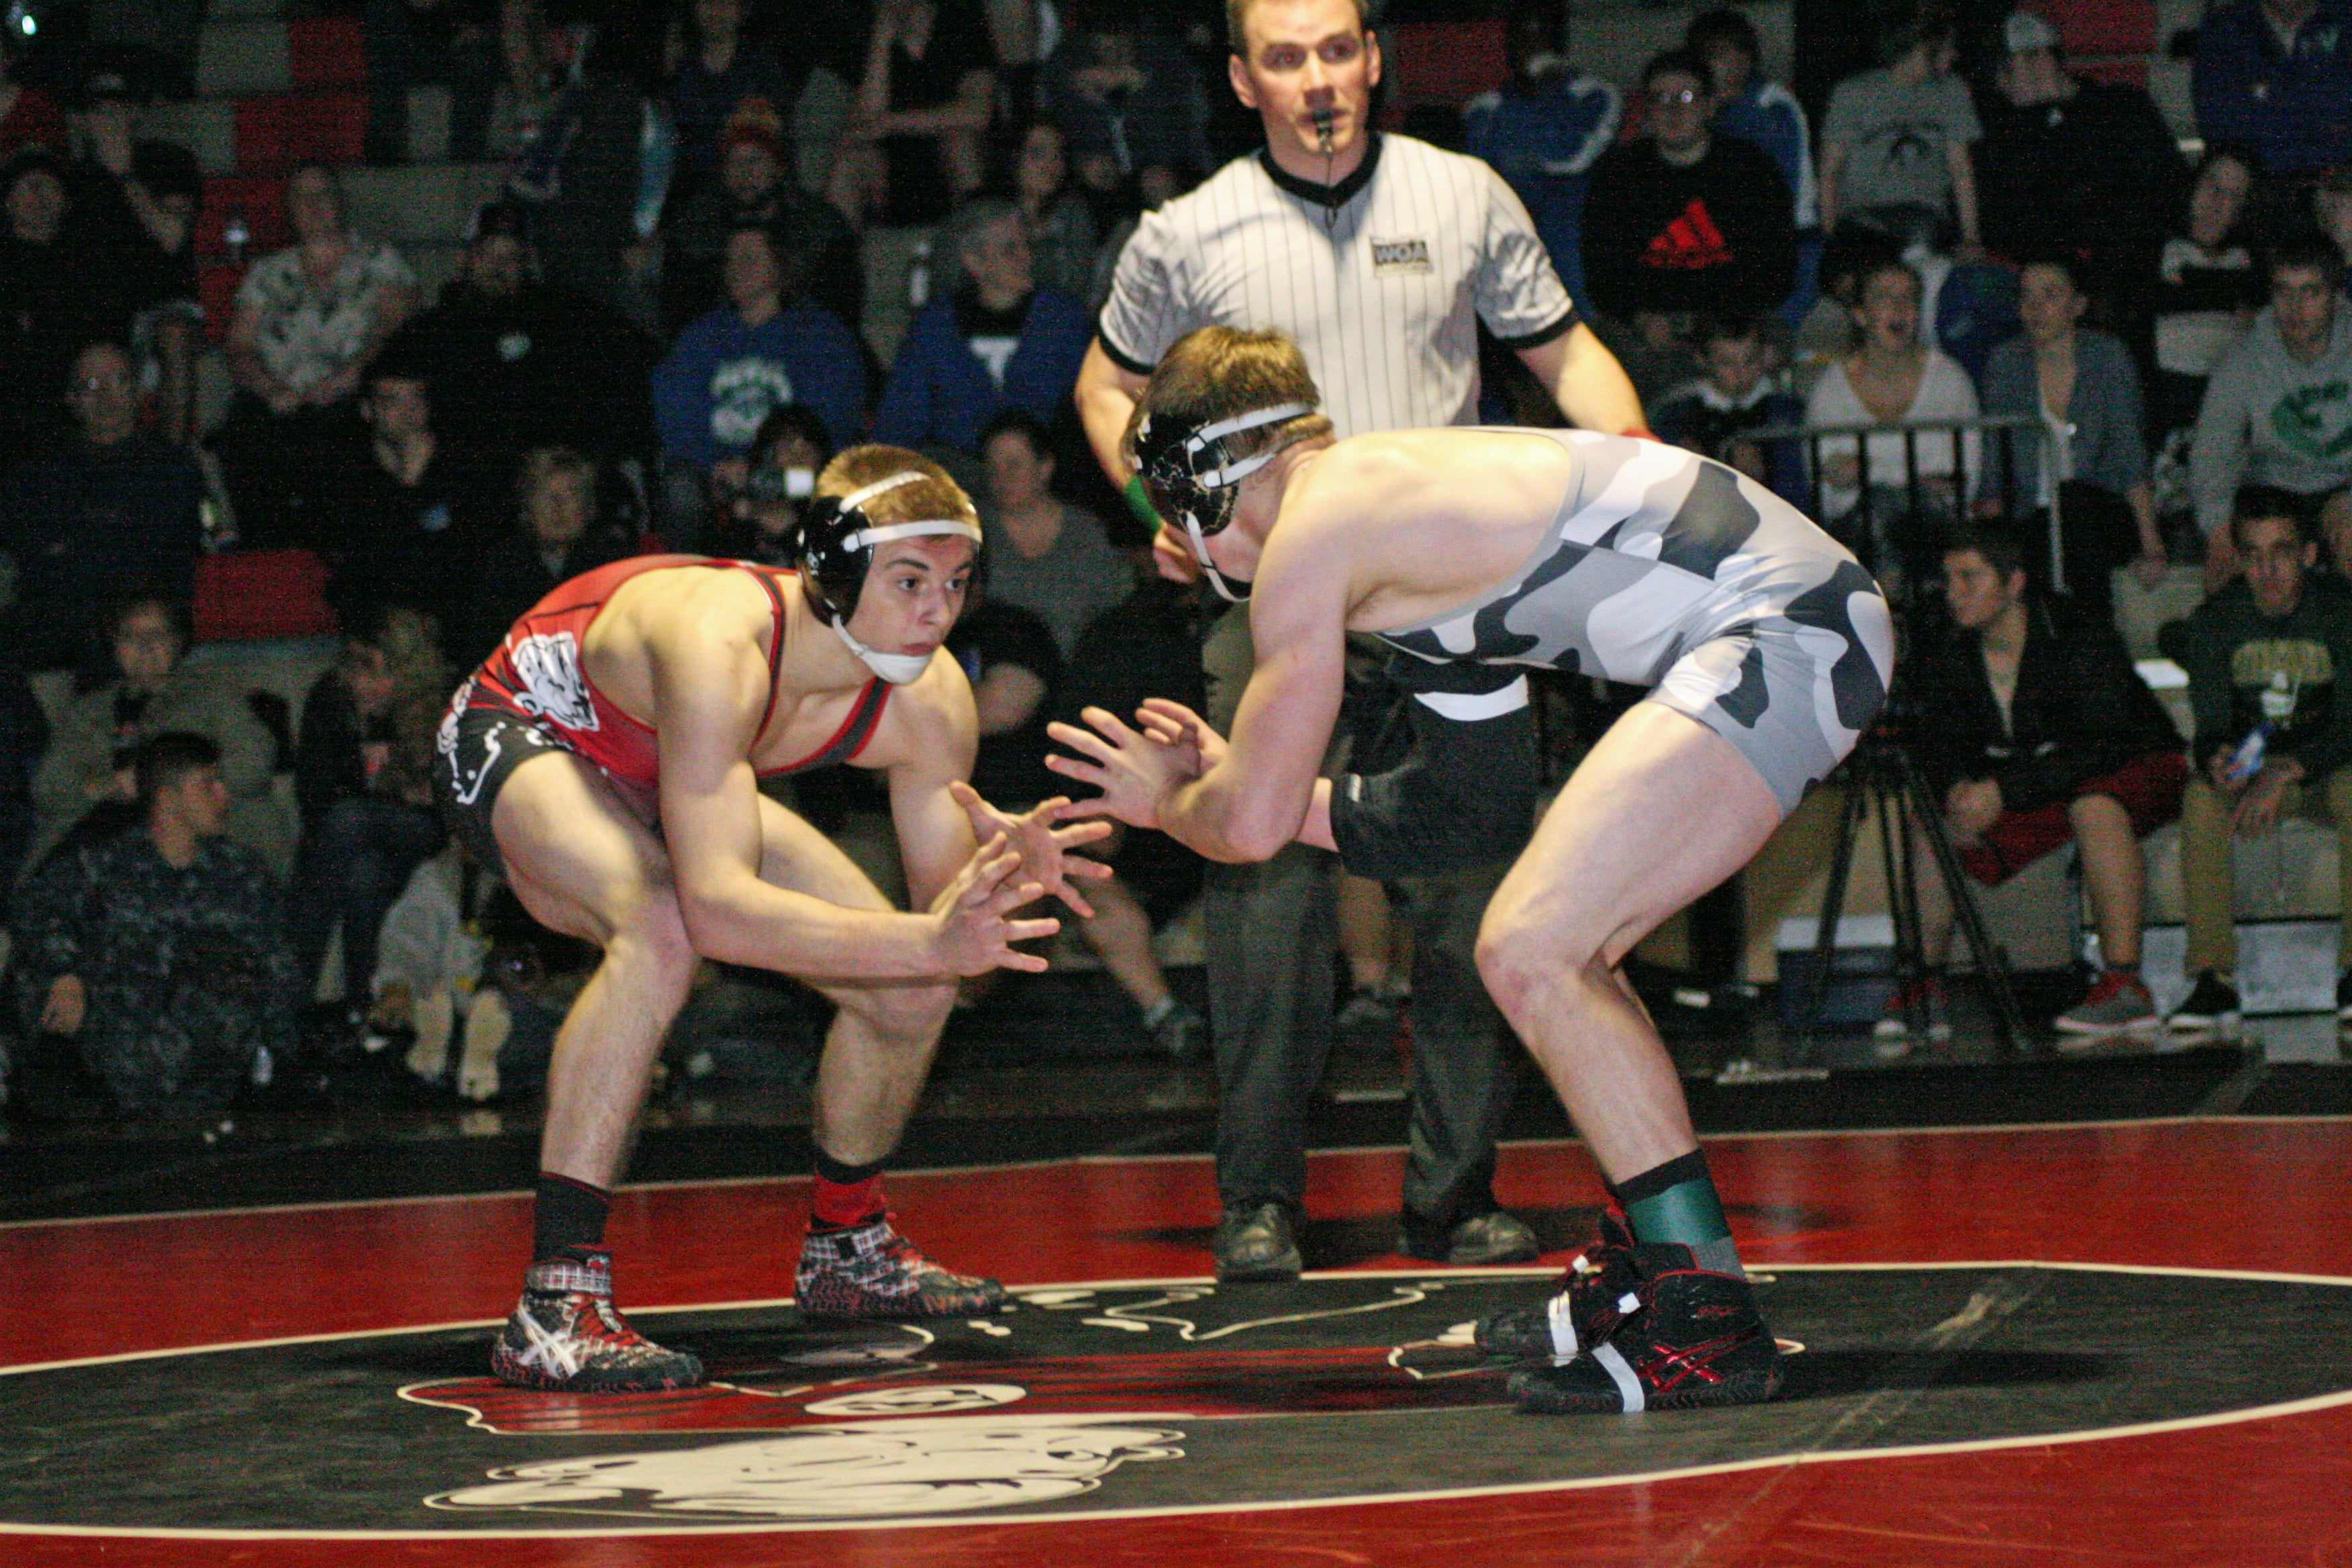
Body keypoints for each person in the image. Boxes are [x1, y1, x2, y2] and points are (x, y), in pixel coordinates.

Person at [1050, 325, 1890, 1414]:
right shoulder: (1409, 541)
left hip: (1779, 630)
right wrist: (1223, 793)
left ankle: (1702, 1317)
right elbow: (1454, 816)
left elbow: (1249, 825)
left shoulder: (1318, 526)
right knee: (1556, 943)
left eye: (1169, 512)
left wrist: (1174, 800)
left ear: (1200, 481)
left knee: (1532, 948)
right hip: (1793, 623)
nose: (1173, 548)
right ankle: (1666, 1277)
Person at [1073, 0, 1647, 1279]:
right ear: (1240, 78)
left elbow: (1565, 355)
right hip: (1269, 599)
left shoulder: (1462, 195)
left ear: (1375, 59)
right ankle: (1256, 1199)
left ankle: (1452, 1194)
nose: (1318, 78)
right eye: (1285, 57)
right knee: (1261, 884)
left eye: (1338, 49)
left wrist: (1635, 469)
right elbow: (1102, 386)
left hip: (1448, 603)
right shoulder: (1186, 232)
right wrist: (1152, 504)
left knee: (1468, 891)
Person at [435, 443, 1106, 1391]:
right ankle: (555, 1303)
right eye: (909, 581)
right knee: (662, 930)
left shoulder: (932, 699)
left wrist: (1001, 893)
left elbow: (960, 962)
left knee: (911, 989)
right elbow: (717, 913)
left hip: (663, 765)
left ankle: (847, 1249)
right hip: (531, 731)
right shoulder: (720, 642)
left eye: (957, 584)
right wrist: (933, 936)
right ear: (831, 571)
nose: (937, 611)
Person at [1892, 526, 2186, 1043]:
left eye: (1970, 578)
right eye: (1948, 579)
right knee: (1931, 825)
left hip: (2136, 761)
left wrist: (2004, 791)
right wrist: (1959, 787)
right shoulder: (1949, 645)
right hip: (2048, 780)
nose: (1954, 592)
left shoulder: (2074, 630)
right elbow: (1935, 739)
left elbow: (2102, 743)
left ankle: (2125, 985)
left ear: (2014, 584)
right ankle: (1924, 982)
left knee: (2095, 804)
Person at [15, 732, 297, 1118]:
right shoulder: (105, 864)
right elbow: (34, 910)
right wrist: (64, 974)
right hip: (113, 1047)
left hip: (208, 1062)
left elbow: (275, 966)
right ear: (167, 799)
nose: (223, 796)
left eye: (222, 783)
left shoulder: (241, 871)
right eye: (208, 785)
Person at [2160, 488, 2352, 1034]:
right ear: (2239, 559)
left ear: (2309, 555)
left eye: (2283, 552)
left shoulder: (2340, 610)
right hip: (2256, 765)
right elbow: (2212, 723)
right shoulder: (2216, 621)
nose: (2269, 570)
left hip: (2327, 767)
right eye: (2254, 554)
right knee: (2201, 795)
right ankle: (2212, 978)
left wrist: (2288, 769)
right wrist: (2218, 758)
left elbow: (2350, 724)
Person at [212, 164, 421, 548]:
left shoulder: (377, 259)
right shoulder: (267, 271)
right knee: (241, 433)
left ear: (340, 203)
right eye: (302, 197)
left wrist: (349, 377)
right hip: (282, 400)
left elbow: (398, 328)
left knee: (343, 439)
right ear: (290, 209)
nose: (314, 204)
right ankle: (272, 560)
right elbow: (239, 346)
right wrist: (271, 389)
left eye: (323, 193)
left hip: (353, 394)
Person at [26, 591, 285, 875]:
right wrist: (105, 786)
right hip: (104, 835)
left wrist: (177, 783)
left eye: (158, 635)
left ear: (177, 642)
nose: (145, 646)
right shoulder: (87, 712)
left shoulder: (214, 696)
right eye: (131, 636)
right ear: (115, 646)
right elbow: (47, 789)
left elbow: (254, 767)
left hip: (199, 832)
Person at [397, 201, 658, 467]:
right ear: (466, 258)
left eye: (512, 257)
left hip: (552, 466)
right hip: (470, 467)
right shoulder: (434, 328)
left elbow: (636, 353)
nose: (498, 266)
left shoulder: (562, 314)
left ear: (527, 261)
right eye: (488, 254)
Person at [0, 339, 204, 673]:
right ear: (72, 399)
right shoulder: (37, 473)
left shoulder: (171, 466)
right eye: (92, 385)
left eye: (118, 382)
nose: (105, 396)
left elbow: (170, 552)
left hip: (141, 616)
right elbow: (35, 552)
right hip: (59, 619)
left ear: (138, 392)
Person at [1979, 254, 2166, 604]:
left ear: (2078, 304)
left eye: (2050, 295)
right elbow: (1994, 462)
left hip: (2099, 513)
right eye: (2026, 296)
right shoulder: (2005, 364)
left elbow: (2129, 455)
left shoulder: (2108, 358)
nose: (2035, 307)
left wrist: (2151, 545)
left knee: (2075, 508)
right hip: (2031, 517)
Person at [291, 604, 449, 1018]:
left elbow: (442, 803)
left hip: (422, 840)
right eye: (365, 671)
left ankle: (288, 996)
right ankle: (362, 1011)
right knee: (364, 873)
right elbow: (313, 797)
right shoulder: (329, 701)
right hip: (352, 843)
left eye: (389, 672)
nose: (377, 685)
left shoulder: (434, 708)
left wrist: (388, 787)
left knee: (350, 819)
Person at [1973, 11, 2186, 304]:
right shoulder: (2008, 135)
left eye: (2012, 72)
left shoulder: (2123, 109)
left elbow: (2168, 185)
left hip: (2133, 258)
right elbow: (2005, 221)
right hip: (2054, 273)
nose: (2005, 89)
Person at [1577, 49, 1796, 326]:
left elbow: (1775, 267)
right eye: (1662, 99)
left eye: (1687, 97)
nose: (1673, 110)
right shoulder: (1619, 174)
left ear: (1710, 106)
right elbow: (1602, 272)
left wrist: (1724, 318)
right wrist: (1641, 317)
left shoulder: (1749, 169)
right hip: (1649, 322)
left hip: (1734, 318)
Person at [651, 223, 865, 495]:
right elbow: (676, 413)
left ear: (780, 266)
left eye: (750, 259)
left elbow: (830, 419)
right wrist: (715, 463)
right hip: (716, 474)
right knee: (680, 490)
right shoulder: (701, 337)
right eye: (731, 260)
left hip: (794, 473)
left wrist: (765, 467)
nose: (737, 268)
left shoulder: (820, 336)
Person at [871, 199, 1091, 458]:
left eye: (1027, 246)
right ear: (974, 262)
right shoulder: (936, 328)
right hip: (958, 469)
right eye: (1010, 250)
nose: (1026, 257)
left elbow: (1089, 408)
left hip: (1041, 471)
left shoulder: (1063, 320)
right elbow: (901, 418)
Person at [1802, 254, 1978, 577]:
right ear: (1860, 313)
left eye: (1909, 298)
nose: (1898, 308)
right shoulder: (1830, 389)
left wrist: (1868, 472)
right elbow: (1826, 488)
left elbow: (1964, 478)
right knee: (1879, 510)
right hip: (1855, 530)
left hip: (1934, 526)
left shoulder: (1950, 380)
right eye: (1884, 297)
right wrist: (1911, 479)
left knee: (1896, 511)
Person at [2192, 236, 2352, 587]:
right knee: (2233, 569)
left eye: (2310, 293)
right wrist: (2218, 532)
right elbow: (2213, 451)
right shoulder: (2243, 360)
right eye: (2284, 292)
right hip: (2270, 488)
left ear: (2336, 298)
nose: (2295, 308)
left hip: (2343, 485)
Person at [1462, 0, 1622, 305]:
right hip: (1510, 248)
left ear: (1559, 43)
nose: (1533, 48)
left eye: (1543, 37)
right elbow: (1487, 181)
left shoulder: (1596, 95)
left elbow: (1568, 156)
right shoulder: (1484, 107)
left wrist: (1550, 90)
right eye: (1524, 37)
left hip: (1575, 244)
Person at [450, 446, 640, 669]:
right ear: (527, 506)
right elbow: (484, 648)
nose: (558, 506)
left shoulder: (614, 564)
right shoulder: (502, 567)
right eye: (546, 495)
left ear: (590, 507)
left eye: (571, 494)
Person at [1818, 3, 1982, 256]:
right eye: (1948, 48)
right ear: (1922, 49)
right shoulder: (1853, 93)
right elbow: (1830, 171)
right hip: (1863, 215)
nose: (1954, 55)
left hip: (1925, 213)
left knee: (1922, 245)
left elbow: (1961, 169)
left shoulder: (1952, 91)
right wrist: (1830, 240)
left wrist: (1971, 238)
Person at [826, 0, 997, 229]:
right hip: (890, 166)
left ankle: (979, 243)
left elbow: (977, 112)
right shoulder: (863, 33)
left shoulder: (961, 22)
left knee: (960, 142)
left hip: (946, 156)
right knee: (848, 164)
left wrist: (892, 123)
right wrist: (882, 41)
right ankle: (837, 259)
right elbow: (865, 126)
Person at [975, 409, 1132, 655]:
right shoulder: (976, 534)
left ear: (1046, 467)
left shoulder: (1084, 533)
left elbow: (1116, 609)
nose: (1002, 477)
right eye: (993, 467)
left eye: (1014, 465)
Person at [2149, 150, 2262, 445]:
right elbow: (2151, 299)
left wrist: (2190, 285)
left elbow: (2261, 310)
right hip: (2165, 391)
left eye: (2233, 194)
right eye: (2212, 186)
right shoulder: (2159, 245)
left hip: (2231, 396)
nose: (2217, 200)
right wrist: (2226, 295)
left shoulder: (2249, 258)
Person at [1649, 314, 1807, 504]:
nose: (1741, 373)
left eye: (1750, 361)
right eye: (1727, 363)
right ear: (1702, 360)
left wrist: (1767, 473)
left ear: (1765, 355)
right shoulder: (1678, 413)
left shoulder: (1787, 411)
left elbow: (1799, 486)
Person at [2192, 0, 2352, 177]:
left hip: (2337, 179)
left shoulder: (2344, 20)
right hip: (2254, 181)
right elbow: (2220, 125)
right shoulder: (2227, 27)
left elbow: (2343, 111)